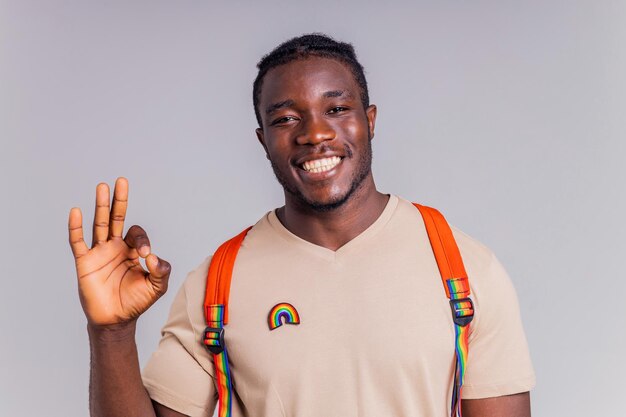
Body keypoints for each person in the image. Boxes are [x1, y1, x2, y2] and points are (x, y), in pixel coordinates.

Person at [68, 34, 535, 417]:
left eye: (336, 110)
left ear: (369, 121)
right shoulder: (217, 283)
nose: (314, 133)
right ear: (263, 140)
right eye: (286, 118)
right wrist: (110, 334)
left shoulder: (464, 268)